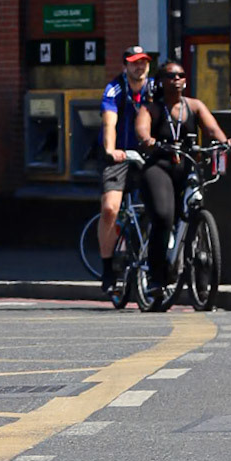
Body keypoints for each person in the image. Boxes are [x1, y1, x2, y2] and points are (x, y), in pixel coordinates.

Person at [134, 61, 231, 306]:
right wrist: (148, 141)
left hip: (188, 166)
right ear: (161, 81)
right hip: (159, 168)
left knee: (195, 207)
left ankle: (198, 273)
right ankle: (156, 278)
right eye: (171, 76)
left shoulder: (194, 106)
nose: (177, 79)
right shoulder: (152, 108)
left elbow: (212, 130)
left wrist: (226, 142)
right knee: (163, 216)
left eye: (181, 75)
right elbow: (142, 130)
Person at [97, 45, 153, 294]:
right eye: (134, 62)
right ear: (125, 66)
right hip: (119, 156)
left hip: (147, 156)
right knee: (110, 209)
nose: (139, 66)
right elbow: (110, 122)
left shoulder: (155, 89)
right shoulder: (114, 89)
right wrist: (111, 150)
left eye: (143, 62)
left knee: (157, 208)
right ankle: (108, 268)